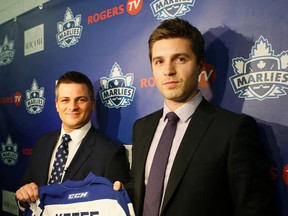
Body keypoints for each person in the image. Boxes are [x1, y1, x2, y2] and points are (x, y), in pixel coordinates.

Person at [115, 18, 278, 215]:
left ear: (200, 65)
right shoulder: (142, 127)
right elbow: (150, 189)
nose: (168, 71)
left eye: (180, 59)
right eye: (159, 61)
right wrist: (124, 193)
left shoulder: (233, 130)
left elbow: (255, 210)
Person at [16, 71, 130, 212]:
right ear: (57, 104)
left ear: (92, 103)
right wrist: (22, 198)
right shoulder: (42, 143)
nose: (72, 107)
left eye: (81, 99)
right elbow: (25, 191)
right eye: (65, 100)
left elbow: (116, 209)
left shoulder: (111, 152)